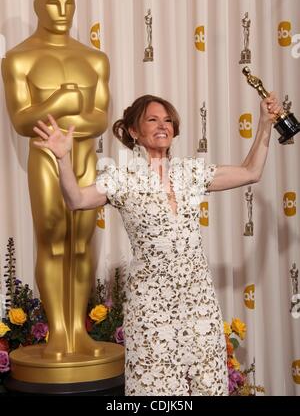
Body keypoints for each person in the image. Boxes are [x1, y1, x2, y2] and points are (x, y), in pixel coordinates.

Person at [33, 92, 282, 395]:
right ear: (134, 131)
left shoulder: (190, 171)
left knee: (207, 385)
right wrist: (62, 158)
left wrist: (265, 124)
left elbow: (250, 172)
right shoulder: (122, 177)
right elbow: (76, 199)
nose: (162, 125)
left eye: (167, 120)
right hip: (151, 306)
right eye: (152, 119)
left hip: (198, 300)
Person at [1, 0, 109, 359]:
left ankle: (78, 332)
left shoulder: (94, 59)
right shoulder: (19, 58)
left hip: (84, 157)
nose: (62, 13)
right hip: (44, 158)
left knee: (81, 243)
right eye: (52, 4)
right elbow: (20, 121)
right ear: (36, 5)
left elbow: (100, 120)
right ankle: (57, 333)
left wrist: (56, 118)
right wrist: (64, 101)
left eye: (68, 4)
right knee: (52, 239)